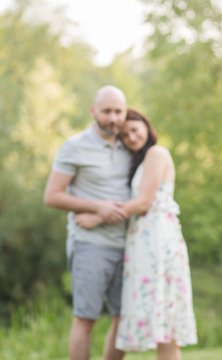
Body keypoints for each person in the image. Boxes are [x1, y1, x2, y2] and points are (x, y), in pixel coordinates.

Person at [75, 108, 198, 360]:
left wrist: (97, 217)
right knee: (161, 315)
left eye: (134, 130)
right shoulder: (140, 161)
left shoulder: (156, 153)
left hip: (158, 238)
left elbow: (143, 203)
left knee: (167, 316)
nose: (130, 137)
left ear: (145, 126)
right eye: (125, 134)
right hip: (142, 240)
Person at [44, 85, 131, 360]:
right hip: (90, 245)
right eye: (107, 111)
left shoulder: (132, 145)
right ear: (93, 111)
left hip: (130, 245)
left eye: (118, 111)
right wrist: (98, 208)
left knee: (124, 318)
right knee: (86, 319)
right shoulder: (74, 146)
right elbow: (52, 196)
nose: (113, 118)